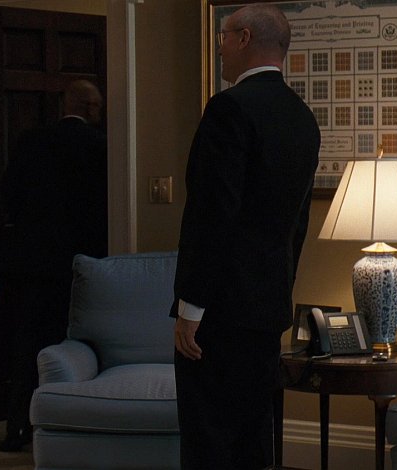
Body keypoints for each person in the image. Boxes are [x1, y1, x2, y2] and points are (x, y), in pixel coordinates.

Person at [171, 4, 320, 469]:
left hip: (219, 312)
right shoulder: (303, 118)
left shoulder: (229, 108)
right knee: (253, 438)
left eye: (223, 37)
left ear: (244, 38)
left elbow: (212, 215)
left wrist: (191, 307)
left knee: (209, 440)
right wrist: (279, 288)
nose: (220, 49)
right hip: (267, 308)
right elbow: (297, 224)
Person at [0, 79, 108, 452]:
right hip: (81, 264)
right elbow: (101, 209)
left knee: (28, 344)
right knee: (79, 345)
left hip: (31, 263)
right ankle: (71, 428)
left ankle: (17, 427)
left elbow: (9, 195)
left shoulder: (31, 142)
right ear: (90, 107)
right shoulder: (99, 146)